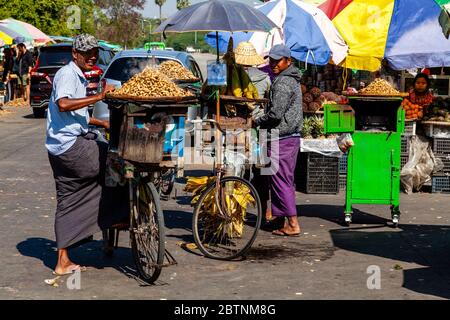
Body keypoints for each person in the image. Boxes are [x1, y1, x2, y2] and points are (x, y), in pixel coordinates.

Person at [46, 34, 120, 276]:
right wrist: (100, 97)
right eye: (86, 53)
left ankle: (62, 261)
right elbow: (64, 105)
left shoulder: (74, 74)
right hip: (71, 147)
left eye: (94, 52)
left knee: (67, 200)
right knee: (119, 165)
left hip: (57, 148)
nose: (92, 56)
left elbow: (74, 116)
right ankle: (117, 217)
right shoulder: (68, 74)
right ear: (75, 55)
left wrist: (99, 122)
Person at [253, 44, 302, 236]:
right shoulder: (290, 79)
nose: (273, 63)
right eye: (271, 60)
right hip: (287, 136)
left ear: (288, 61)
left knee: (281, 180)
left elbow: (275, 114)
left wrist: (257, 119)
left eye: (277, 60)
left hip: (282, 137)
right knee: (281, 179)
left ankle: (292, 223)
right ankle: (282, 219)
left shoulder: (283, 83)